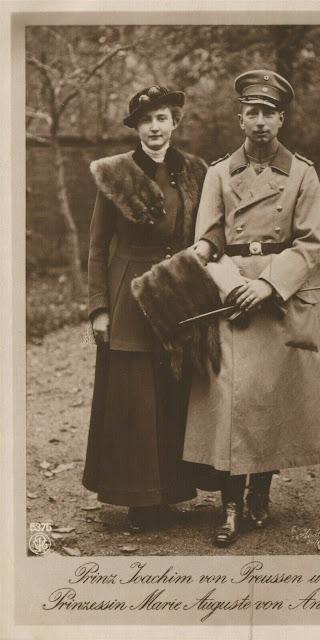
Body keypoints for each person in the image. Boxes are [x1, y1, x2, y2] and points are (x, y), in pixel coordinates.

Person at [185, 69, 320, 546]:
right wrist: (233, 287)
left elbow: (310, 243)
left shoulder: (303, 173)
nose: (262, 121)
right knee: (232, 399)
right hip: (232, 299)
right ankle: (229, 507)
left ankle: (260, 494)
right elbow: (207, 239)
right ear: (241, 119)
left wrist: (268, 285)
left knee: (270, 397)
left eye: (270, 112)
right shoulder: (218, 173)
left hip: (278, 298)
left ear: (281, 119)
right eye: (253, 112)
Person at [82, 85, 207, 532]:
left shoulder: (195, 171)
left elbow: (208, 232)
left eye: (162, 118)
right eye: (146, 120)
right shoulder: (115, 173)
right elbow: (97, 246)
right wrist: (99, 307)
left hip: (177, 292)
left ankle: (169, 492)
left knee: (173, 391)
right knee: (134, 398)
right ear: (136, 127)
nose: (155, 127)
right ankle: (139, 500)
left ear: (175, 122)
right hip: (129, 296)